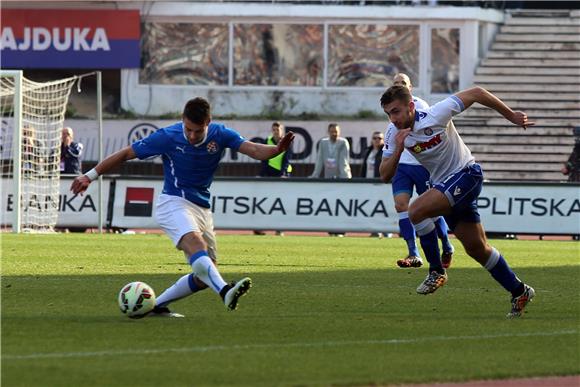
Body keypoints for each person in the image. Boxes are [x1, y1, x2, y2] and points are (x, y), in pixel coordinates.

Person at [71, 97, 294, 317]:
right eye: (188, 129)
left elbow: (254, 150)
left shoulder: (221, 134)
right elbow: (126, 153)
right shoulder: (168, 136)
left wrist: (276, 150)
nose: (192, 135)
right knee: (197, 246)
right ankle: (225, 291)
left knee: (205, 273)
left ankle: (156, 306)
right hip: (173, 203)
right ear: (182, 120)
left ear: (208, 122)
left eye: (198, 131)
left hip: (202, 209)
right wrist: (89, 176)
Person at [379, 85, 535, 318]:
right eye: (388, 114)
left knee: (416, 211)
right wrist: (400, 148)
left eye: (396, 111)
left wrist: (511, 115)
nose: (393, 119)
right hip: (447, 186)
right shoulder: (394, 133)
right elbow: (384, 175)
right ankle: (519, 290)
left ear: (411, 106)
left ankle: (436, 270)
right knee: (476, 248)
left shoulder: (435, 114)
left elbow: (477, 92)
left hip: (467, 174)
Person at [383, 73, 454, 269]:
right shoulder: (391, 111)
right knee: (400, 205)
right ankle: (413, 253)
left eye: (403, 83)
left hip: (421, 164)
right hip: (402, 166)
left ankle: (446, 245)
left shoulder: (420, 105)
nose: (399, 85)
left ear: (410, 87)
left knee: (430, 209)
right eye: (396, 82)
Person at [254, 121, 292, 236]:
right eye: (274, 130)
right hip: (269, 174)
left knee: (280, 203)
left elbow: (287, 160)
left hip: (282, 174)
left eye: (278, 130)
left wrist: (282, 174)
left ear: (282, 131)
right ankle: (260, 227)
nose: (276, 132)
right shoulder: (268, 141)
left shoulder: (287, 142)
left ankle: (279, 228)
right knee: (265, 202)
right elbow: (264, 159)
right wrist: (261, 175)